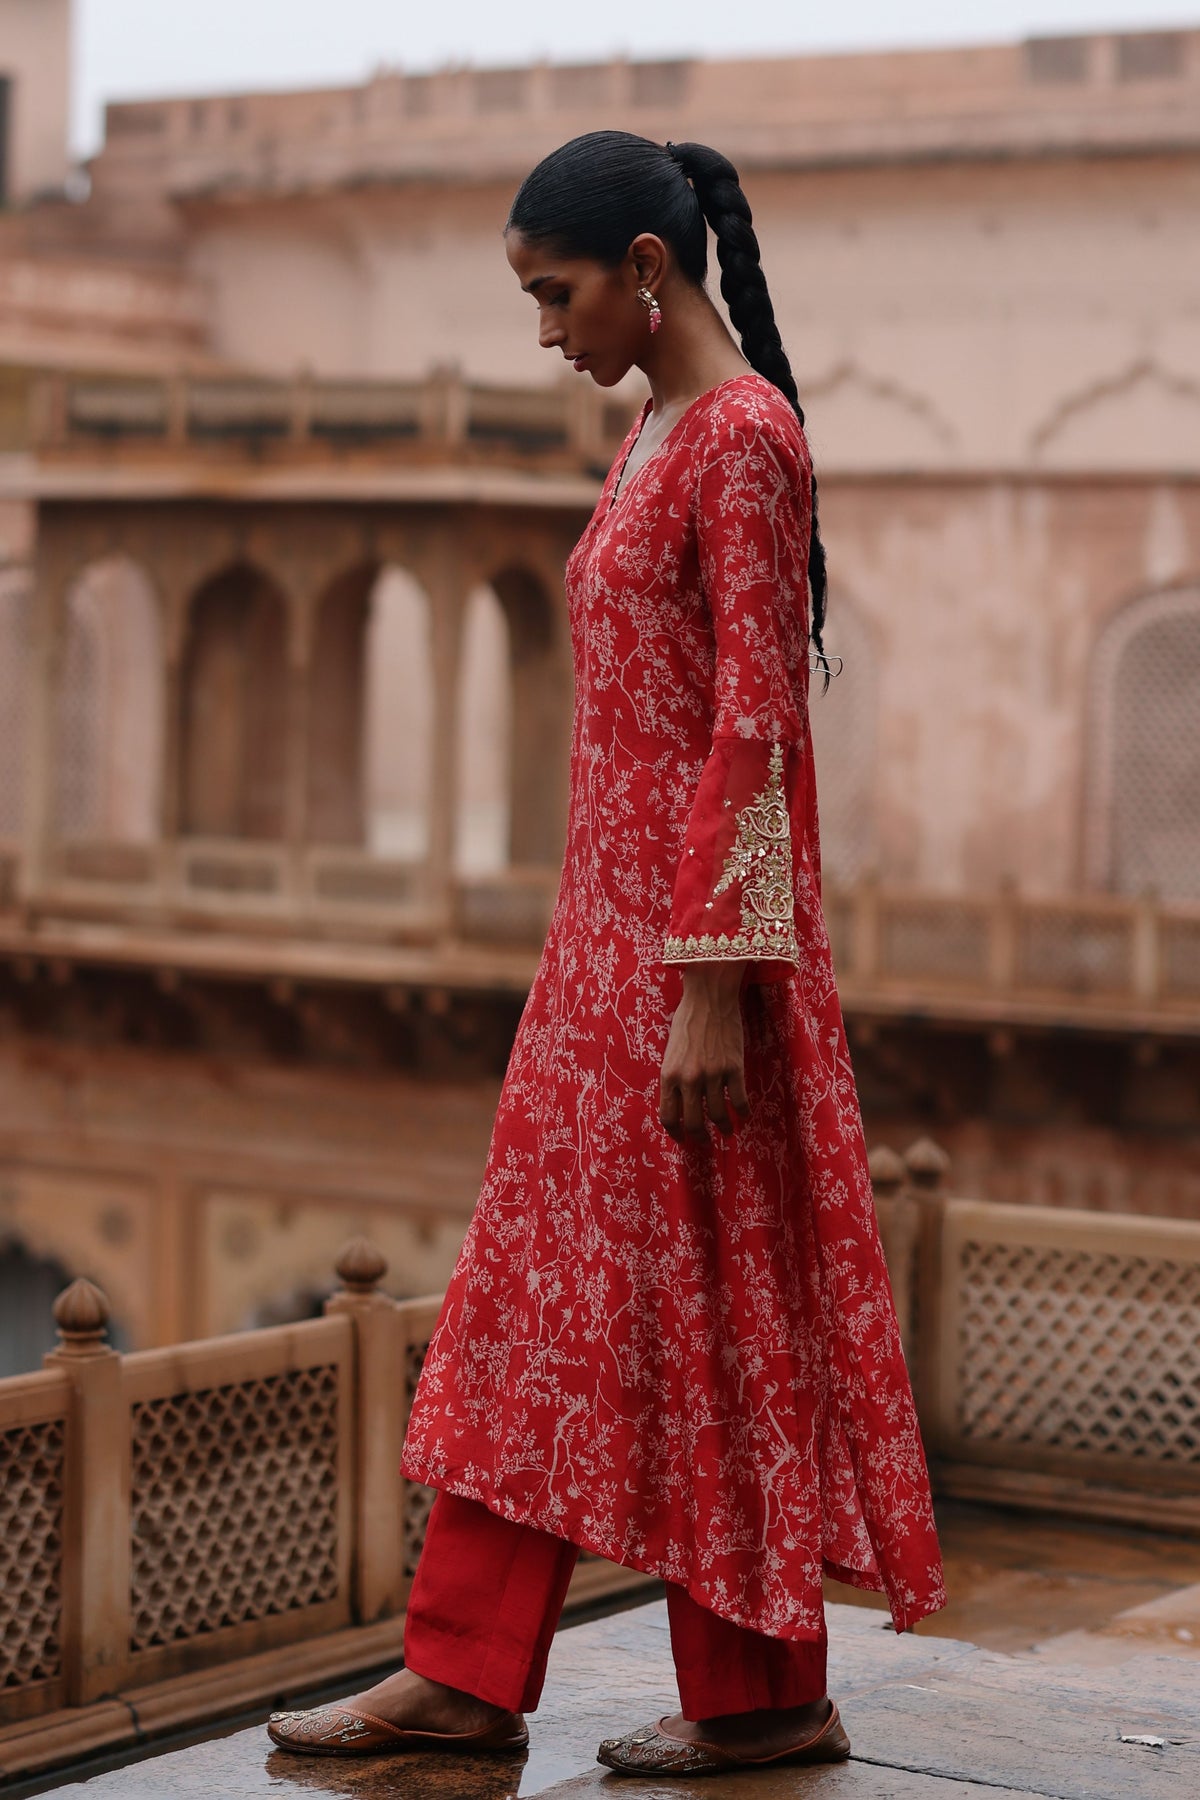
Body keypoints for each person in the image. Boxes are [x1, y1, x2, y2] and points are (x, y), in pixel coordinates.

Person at [268, 130, 945, 1777]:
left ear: (649, 270)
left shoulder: (744, 440)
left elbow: (756, 729)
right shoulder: (658, 434)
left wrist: (714, 977)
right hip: (609, 954)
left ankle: (760, 1695)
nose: (546, 329)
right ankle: (476, 1670)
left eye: (555, 293)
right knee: (538, 1304)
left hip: (696, 963)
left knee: (709, 1310)